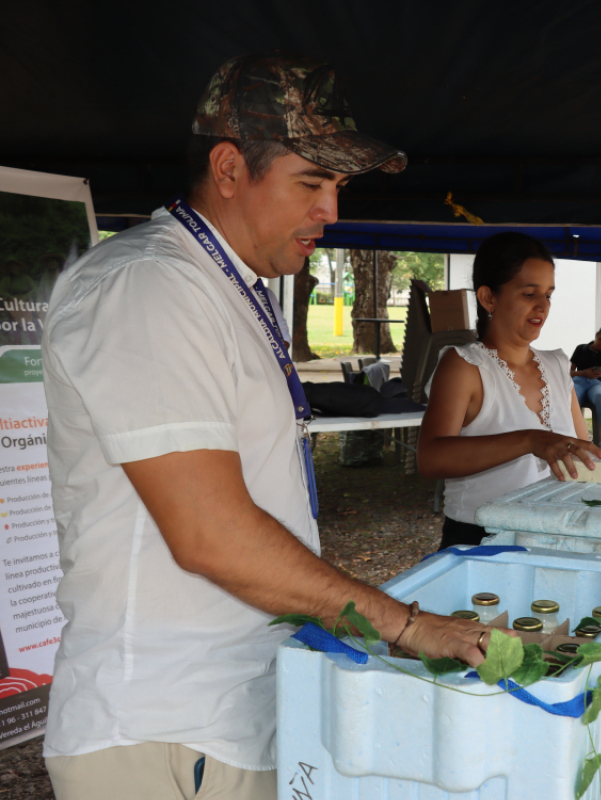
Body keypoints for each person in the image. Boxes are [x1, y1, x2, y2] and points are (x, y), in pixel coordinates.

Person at [40, 53, 496, 800]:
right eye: (310, 183)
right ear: (228, 168)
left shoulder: (222, 285)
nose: (332, 212)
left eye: (338, 187)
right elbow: (210, 533)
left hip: (227, 716)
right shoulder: (148, 286)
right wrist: (403, 626)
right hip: (162, 732)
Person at [418, 234, 601, 549]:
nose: (542, 306)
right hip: (482, 541)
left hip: (556, 536)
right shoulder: (464, 366)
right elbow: (431, 459)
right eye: (529, 293)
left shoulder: (556, 365)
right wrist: (529, 440)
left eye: (549, 294)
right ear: (489, 298)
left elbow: (578, 464)